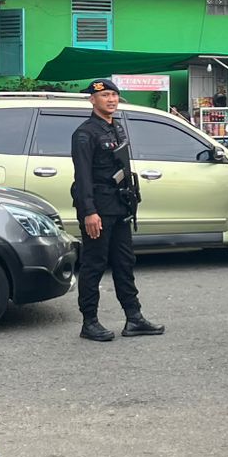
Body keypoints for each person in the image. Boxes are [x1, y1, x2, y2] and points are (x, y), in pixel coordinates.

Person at [70, 79, 164, 342]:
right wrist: (89, 212)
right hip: (98, 208)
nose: (111, 100)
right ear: (93, 100)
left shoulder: (117, 127)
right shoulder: (85, 133)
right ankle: (89, 322)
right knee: (94, 264)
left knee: (125, 262)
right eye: (105, 96)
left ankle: (134, 318)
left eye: (114, 95)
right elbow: (83, 176)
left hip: (120, 205)